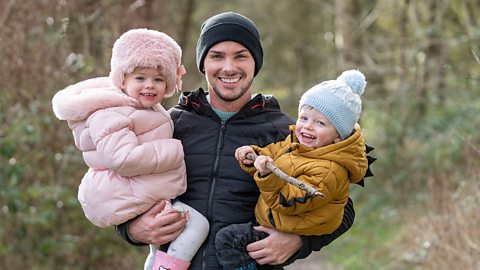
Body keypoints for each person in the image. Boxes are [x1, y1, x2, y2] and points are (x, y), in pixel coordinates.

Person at [116, 12, 375, 269]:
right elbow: (119, 187)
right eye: (217, 56)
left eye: (241, 56)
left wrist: (298, 242)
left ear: (255, 63)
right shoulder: (169, 124)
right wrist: (132, 229)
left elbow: (341, 206)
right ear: (203, 64)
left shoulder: (285, 132)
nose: (229, 67)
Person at [51, 29, 209, 270]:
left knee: (163, 240)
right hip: (119, 192)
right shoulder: (111, 111)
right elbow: (121, 158)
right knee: (195, 224)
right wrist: (175, 150)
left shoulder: (143, 108)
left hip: (139, 190)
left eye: (158, 79)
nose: (150, 86)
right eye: (140, 78)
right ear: (122, 79)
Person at [215, 70, 369, 269]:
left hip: (286, 222)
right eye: (304, 118)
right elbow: (273, 152)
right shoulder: (297, 144)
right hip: (274, 220)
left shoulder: (329, 169)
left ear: (338, 135)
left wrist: (267, 175)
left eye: (320, 122)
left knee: (228, 240)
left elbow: (288, 201)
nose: (308, 127)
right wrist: (253, 154)